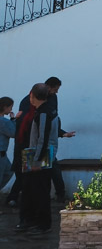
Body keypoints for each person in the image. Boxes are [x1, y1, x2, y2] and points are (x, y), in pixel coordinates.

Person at [15, 84, 57, 234]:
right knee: (29, 190)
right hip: (34, 154)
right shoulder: (42, 111)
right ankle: (30, 220)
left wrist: (37, 161)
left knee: (40, 191)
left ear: (33, 95)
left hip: (40, 157)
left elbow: (43, 139)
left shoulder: (45, 113)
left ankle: (43, 224)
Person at [0, 97, 14, 192]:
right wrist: (13, 120)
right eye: (10, 107)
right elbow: (13, 133)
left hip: (2, 154)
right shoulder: (4, 121)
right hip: (1, 152)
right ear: (5, 107)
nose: (11, 110)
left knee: (9, 171)